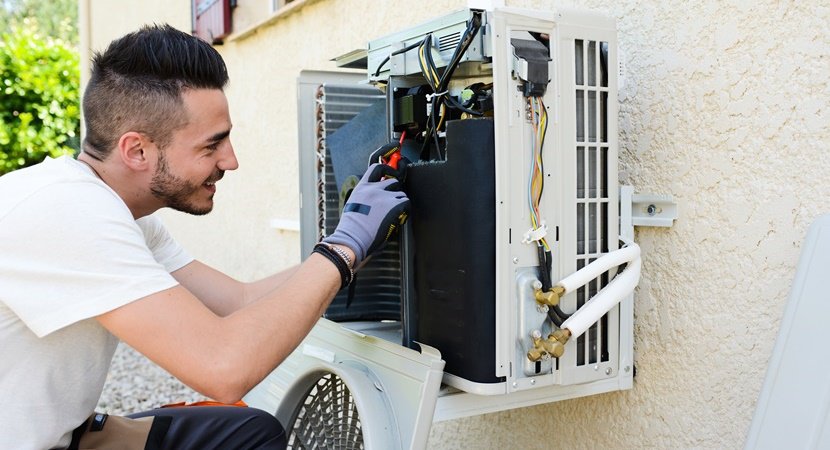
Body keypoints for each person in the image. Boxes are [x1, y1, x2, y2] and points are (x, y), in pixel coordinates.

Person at [0, 24, 409, 449]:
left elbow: (240, 302)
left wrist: (358, 240)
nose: (230, 161)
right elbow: (224, 368)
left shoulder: (122, 214)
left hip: (71, 434)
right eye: (211, 146)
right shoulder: (68, 212)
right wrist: (342, 250)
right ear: (137, 151)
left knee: (250, 431)